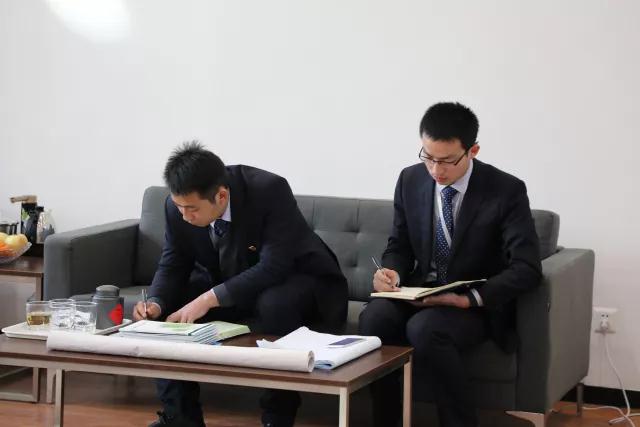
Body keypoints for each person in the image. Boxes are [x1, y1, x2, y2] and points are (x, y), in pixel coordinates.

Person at [133, 141, 348, 427]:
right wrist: (156, 302)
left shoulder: (269, 190)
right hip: (233, 281)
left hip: (301, 280)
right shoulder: (177, 209)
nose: (184, 216)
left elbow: (274, 265)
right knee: (171, 308)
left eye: (192, 209)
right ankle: (181, 418)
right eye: (179, 207)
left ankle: (277, 418)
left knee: (274, 303)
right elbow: (173, 263)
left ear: (221, 196)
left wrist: (208, 299)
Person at [359, 102, 542, 427]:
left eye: (446, 161)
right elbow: (399, 245)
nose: (435, 170)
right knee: (375, 318)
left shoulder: (506, 190)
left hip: (473, 303)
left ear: (472, 151)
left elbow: (527, 267)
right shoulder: (410, 179)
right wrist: (392, 272)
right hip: (420, 292)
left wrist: (468, 299)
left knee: (426, 329)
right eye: (428, 157)